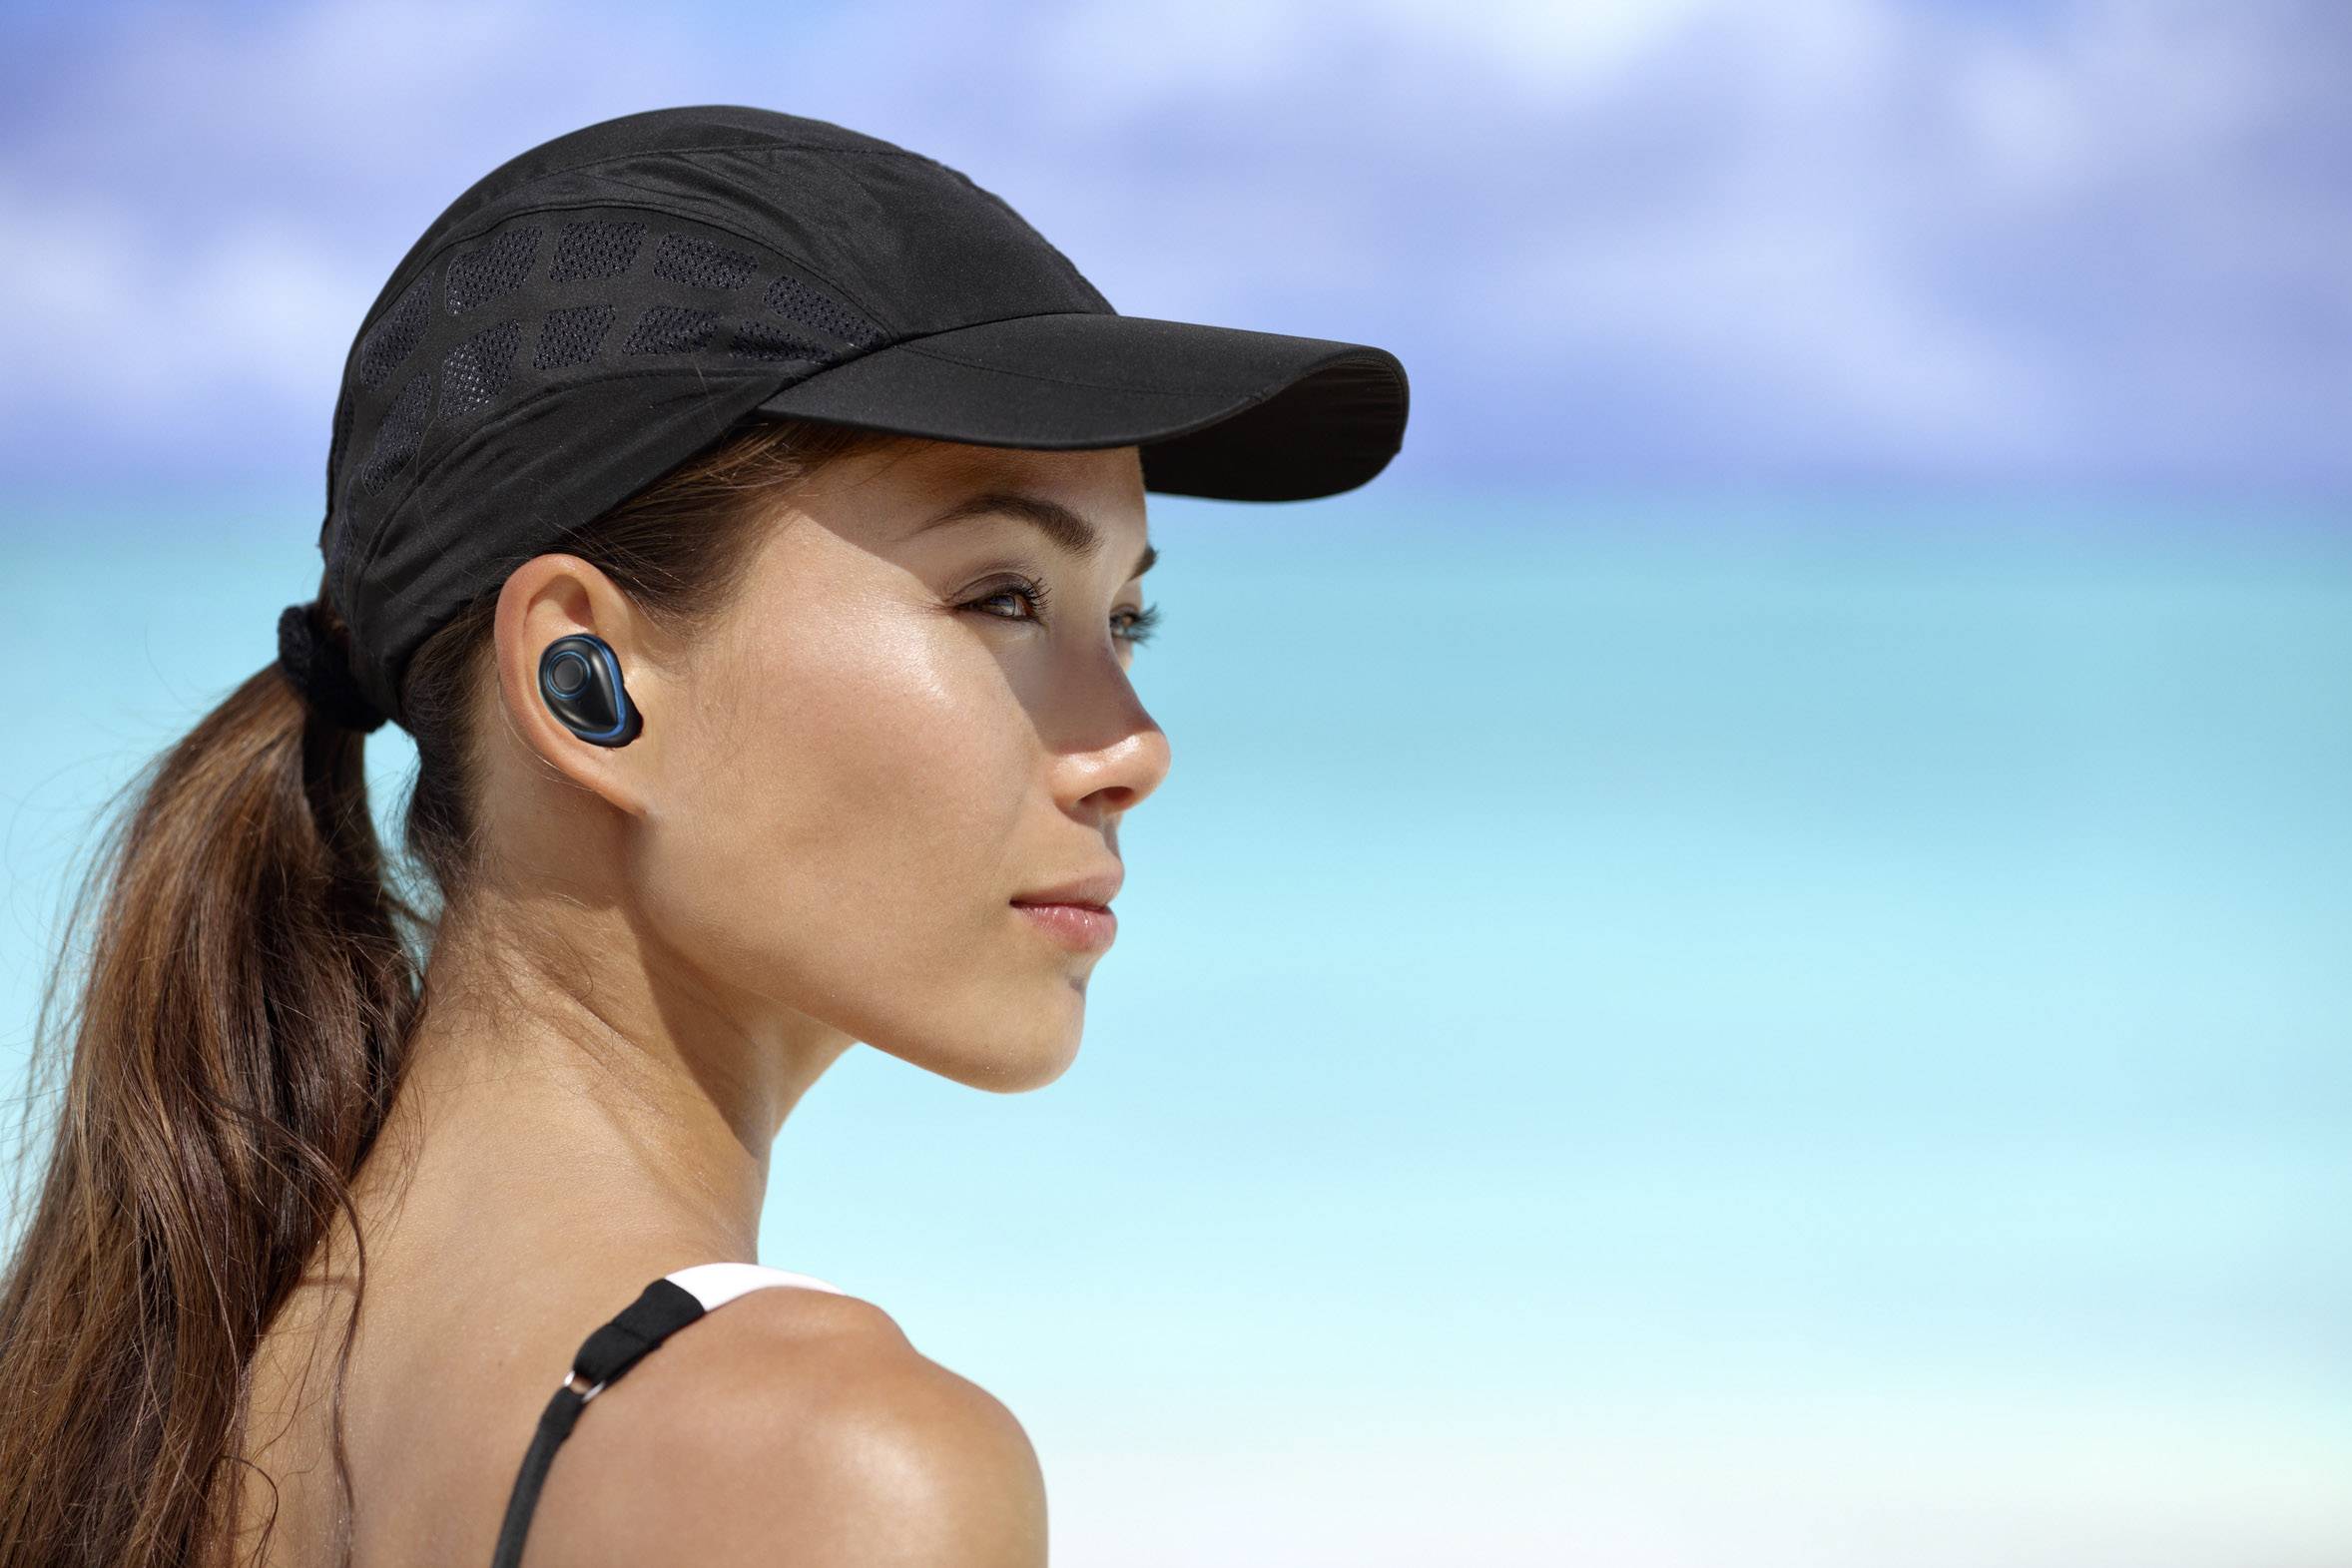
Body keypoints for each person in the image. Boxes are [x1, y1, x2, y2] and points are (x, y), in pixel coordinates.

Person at [0, 105, 1407, 1567]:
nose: (1135, 749)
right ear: (587, 683)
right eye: (1003, 595)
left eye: (1128, 618)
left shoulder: (150, 1405)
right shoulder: (835, 1472)